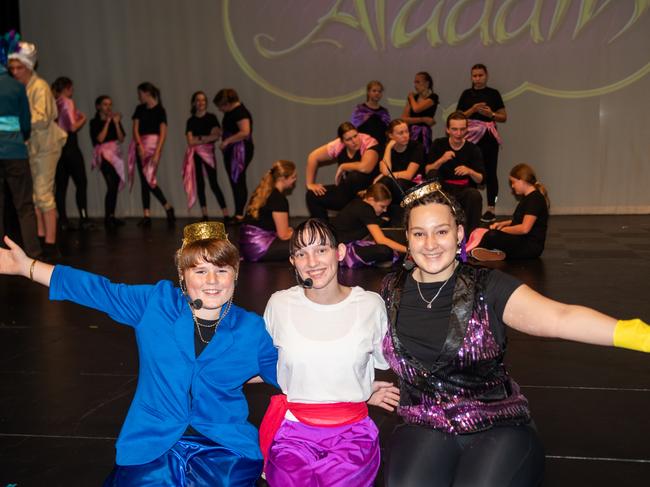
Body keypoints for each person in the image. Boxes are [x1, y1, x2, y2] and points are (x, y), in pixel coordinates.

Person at [380, 181, 650, 487]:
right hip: (424, 422)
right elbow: (351, 337)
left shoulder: (487, 286)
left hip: (496, 425)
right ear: (407, 238)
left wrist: (639, 335)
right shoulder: (391, 290)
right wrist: (364, 386)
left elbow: (561, 317)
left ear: (458, 234)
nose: (430, 243)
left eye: (441, 231)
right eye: (419, 233)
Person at [0, 221, 279, 486]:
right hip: (153, 440)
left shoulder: (251, 329)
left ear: (236, 273)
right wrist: (27, 267)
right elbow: (96, 290)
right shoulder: (155, 304)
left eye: (222, 270)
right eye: (200, 270)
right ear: (182, 275)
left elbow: (288, 375)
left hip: (223, 446)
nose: (212, 280)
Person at [260, 218, 400, 487]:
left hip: (352, 433)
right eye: (302, 253)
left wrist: (360, 390)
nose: (312, 261)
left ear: (341, 252)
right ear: (293, 261)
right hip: (292, 432)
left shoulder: (370, 305)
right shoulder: (279, 304)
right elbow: (265, 365)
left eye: (321, 249)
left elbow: (379, 362)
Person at [8, 41, 67, 258]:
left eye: (19, 67)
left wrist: (15, 123)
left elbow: (42, 118)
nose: (15, 72)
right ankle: (41, 238)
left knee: (43, 193)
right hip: (32, 147)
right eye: (12, 68)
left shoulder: (39, 87)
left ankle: (51, 244)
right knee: (34, 196)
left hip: (46, 147)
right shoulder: (22, 88)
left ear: (29, 66)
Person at [0, 32, 41, 258]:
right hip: (15, 151)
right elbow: (26, 123)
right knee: (24, 205)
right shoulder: (16, 87)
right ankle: (33, 252)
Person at [457, 63, 507, 223]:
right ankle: (470, 207)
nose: (477, 78)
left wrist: (490, 113)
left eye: (480, 75)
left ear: (486, 76)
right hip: (470, 137)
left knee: (491, 172)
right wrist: (472, 110)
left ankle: (491, 208)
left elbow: (503, 116)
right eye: (474, 76)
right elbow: (458, 116)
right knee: (469, 171)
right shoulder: (466, 94)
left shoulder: (493, 94)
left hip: (488, 137)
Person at [468, 163, 549, 262]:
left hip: (530, 247)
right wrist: (502, 224)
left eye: (513, 182)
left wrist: (503, 230)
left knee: (492, 235)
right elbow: (519, 221)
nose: (512, 186)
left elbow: (524, 228)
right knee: (487, 230)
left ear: (522, 181)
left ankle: (475, 252)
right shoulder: (528, 198)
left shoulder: (535, 199)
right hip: (522, 241)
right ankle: (490, 252)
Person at [425, 111, 484, 235]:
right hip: (442, 190)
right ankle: (434, 230)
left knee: (475, 195)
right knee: (432, 175)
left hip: (463, 190)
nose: (458, 133)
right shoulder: (439, 144)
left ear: (467, 129)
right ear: (447, 130)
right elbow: (427, 170)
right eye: (454, 129)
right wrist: (442, 160)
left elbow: (480, 179)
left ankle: (469, 238)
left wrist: (470, 171)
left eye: (462, 129)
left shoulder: (473, 149)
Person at [305, 122, 379, 220]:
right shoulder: (338, 145)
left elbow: (365, 167)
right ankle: (324, 229)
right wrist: (310, 184)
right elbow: (313, 157)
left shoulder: (369, 143)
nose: (354, 141)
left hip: (366, 193)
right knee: (312, 195)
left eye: (355, 136)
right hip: (346, 192)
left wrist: (343, 166)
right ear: (342, 141)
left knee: (355, 176)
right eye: (349, 139)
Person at [128, 82, 175, 227]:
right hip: (141, 146)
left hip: (153, 146)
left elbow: (163, 133)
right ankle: (146, 214)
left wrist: (157, 152)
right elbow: (135, 129)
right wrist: (139, 146)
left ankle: (167, 206)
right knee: (144, 181)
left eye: (140, 94)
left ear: (147, 93)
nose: (139, 97)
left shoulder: (160, 110)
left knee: (149, 179)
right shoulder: (139, 109)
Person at [332, 182, 406, 267]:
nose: (385, 210)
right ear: (371, 200)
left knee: (389, 243)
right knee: (384, 250)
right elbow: (380, 240)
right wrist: (408, 250)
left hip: (346, 245)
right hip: (342, 251)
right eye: (382, 206)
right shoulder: (365, 208)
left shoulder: (359, 203)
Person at [182, 91, 230, 221]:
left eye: (203, 100)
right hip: (195, 155)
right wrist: (206, 138)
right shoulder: (191, 120)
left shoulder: (211, 118)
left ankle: (225, 214)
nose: (201, 103)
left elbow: (216, 135)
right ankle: (205, 214)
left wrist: (200, 138)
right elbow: (190, 141)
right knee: (200, 183)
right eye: (198, 100)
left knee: (214, 183)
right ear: (194, 103)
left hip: (208, 153)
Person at [51, 77, 91, 231]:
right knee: (81, 183)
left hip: (59, 149)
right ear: (67, 88)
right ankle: (83, 218)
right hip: (70, 148)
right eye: (71, 88)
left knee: (61, 186)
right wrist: (83, 118)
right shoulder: (67, 102)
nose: (72, 91)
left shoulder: (55, 103)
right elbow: (73, 127)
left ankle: (63, 220)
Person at [240, 160, 296, 262]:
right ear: (283, 178)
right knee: (302, 245)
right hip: (258, 248)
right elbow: (283, 235)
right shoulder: (278, 199)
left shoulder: (261, 192)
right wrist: (297, 233)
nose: (295, 180)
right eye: (293, 177)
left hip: (246, 245)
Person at [213, 88, 254, 222]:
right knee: (236, 181)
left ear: (227, 104)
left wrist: (227, 141)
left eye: (221, 106)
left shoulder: (240, 112)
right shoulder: (232, 112)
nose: (220, 110)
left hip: (239, 151)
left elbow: (245, 132)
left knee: (238, 180)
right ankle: (238, 213)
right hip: (233, 150)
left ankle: (239, 214)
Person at [375, 118, 425, 219]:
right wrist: (389, 148)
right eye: (400, 133)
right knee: (384, 182)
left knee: (397, 181)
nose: (405, 135)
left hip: (415, 187)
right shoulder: (386, 150)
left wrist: (387, 175)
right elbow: (385, 171)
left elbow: (408, 175)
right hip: (396, 187)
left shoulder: (417, 147)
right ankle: (384, 215)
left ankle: (409, 215)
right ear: (391, 135)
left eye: (406, 131)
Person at [89, 95, 127, 228]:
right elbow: (100, 138)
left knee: (114, 184)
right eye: (105, 104)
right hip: (103, 155)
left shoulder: (114, 121)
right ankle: (108, 217)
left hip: (114, 155)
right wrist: (107, 122)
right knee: (112, 184)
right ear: (98, 106)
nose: (108, 107)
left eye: (110, 104)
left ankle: (111, 216)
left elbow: (121, 138)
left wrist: (116, 122)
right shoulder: (94, 122)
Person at [401, 71, 438, 155]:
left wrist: (411, 97)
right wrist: (423, 119)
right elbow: (403, 119)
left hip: (424, 133)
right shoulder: (414, 98)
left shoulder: (433, 97)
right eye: (415, 82)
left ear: (427, 83)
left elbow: (417, 109)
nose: (415, 85)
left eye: (418, 82)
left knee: (422, 154)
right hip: (411, 132)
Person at [351, 80, 391, 146]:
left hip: (380, 146)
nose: (377, 93)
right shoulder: (360, 109)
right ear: (368, 92)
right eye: (374, 91)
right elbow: (353, 127)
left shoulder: (384, 112)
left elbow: (388, 130)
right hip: (364, 145)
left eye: (379, 91)